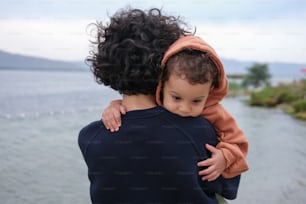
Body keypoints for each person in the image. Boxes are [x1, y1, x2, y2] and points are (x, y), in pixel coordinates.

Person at [78, 7, 240, 204]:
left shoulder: (89, 138)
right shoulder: (200, 131)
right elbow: (227, 188)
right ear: (168, 68)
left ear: (106, 66)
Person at [102, 35, 249, 182]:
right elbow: (135, 105)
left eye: (197, 101)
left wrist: (225, 157)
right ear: (163, 84)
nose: (185, 109)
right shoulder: (158, 99)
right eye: (177, 98)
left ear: (210, 90)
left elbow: (237, 141)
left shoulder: (215, 111)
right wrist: (115, 106)